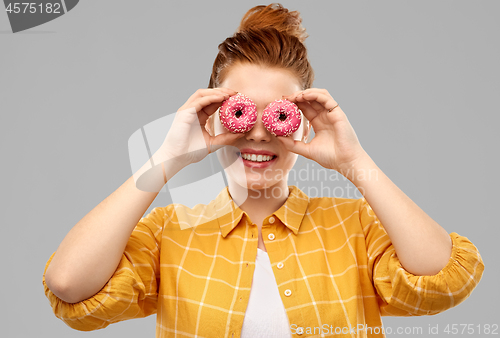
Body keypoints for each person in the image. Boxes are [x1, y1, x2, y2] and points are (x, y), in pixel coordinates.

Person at [43, 3, 484, 338]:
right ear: (214, 114)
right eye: (239, 113)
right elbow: (69, 286)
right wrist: (167, 159)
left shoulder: (354, 227)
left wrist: (355, 163)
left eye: (278, 115)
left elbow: (444, 280)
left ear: (304, 119)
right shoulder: (169, 233)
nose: (257, 134)